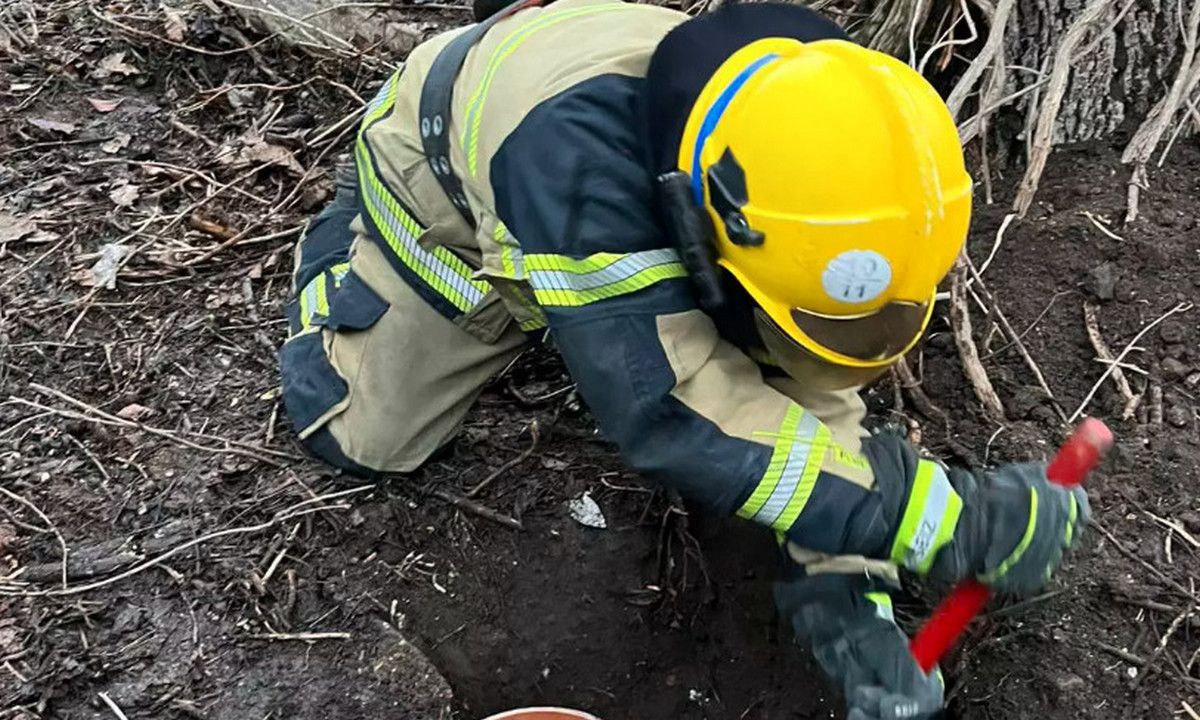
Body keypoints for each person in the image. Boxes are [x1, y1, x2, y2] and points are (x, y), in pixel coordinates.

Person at [278, 1, 1090, 717]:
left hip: (619, 160)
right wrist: (933, 517)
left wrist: (845, 582)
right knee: (360, 435)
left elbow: (809, 380)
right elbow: (667, 404)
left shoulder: (825, 136)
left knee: (765, 332)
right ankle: (342, 265)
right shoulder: (580, 171)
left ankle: (594, 294)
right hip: (440, 175)